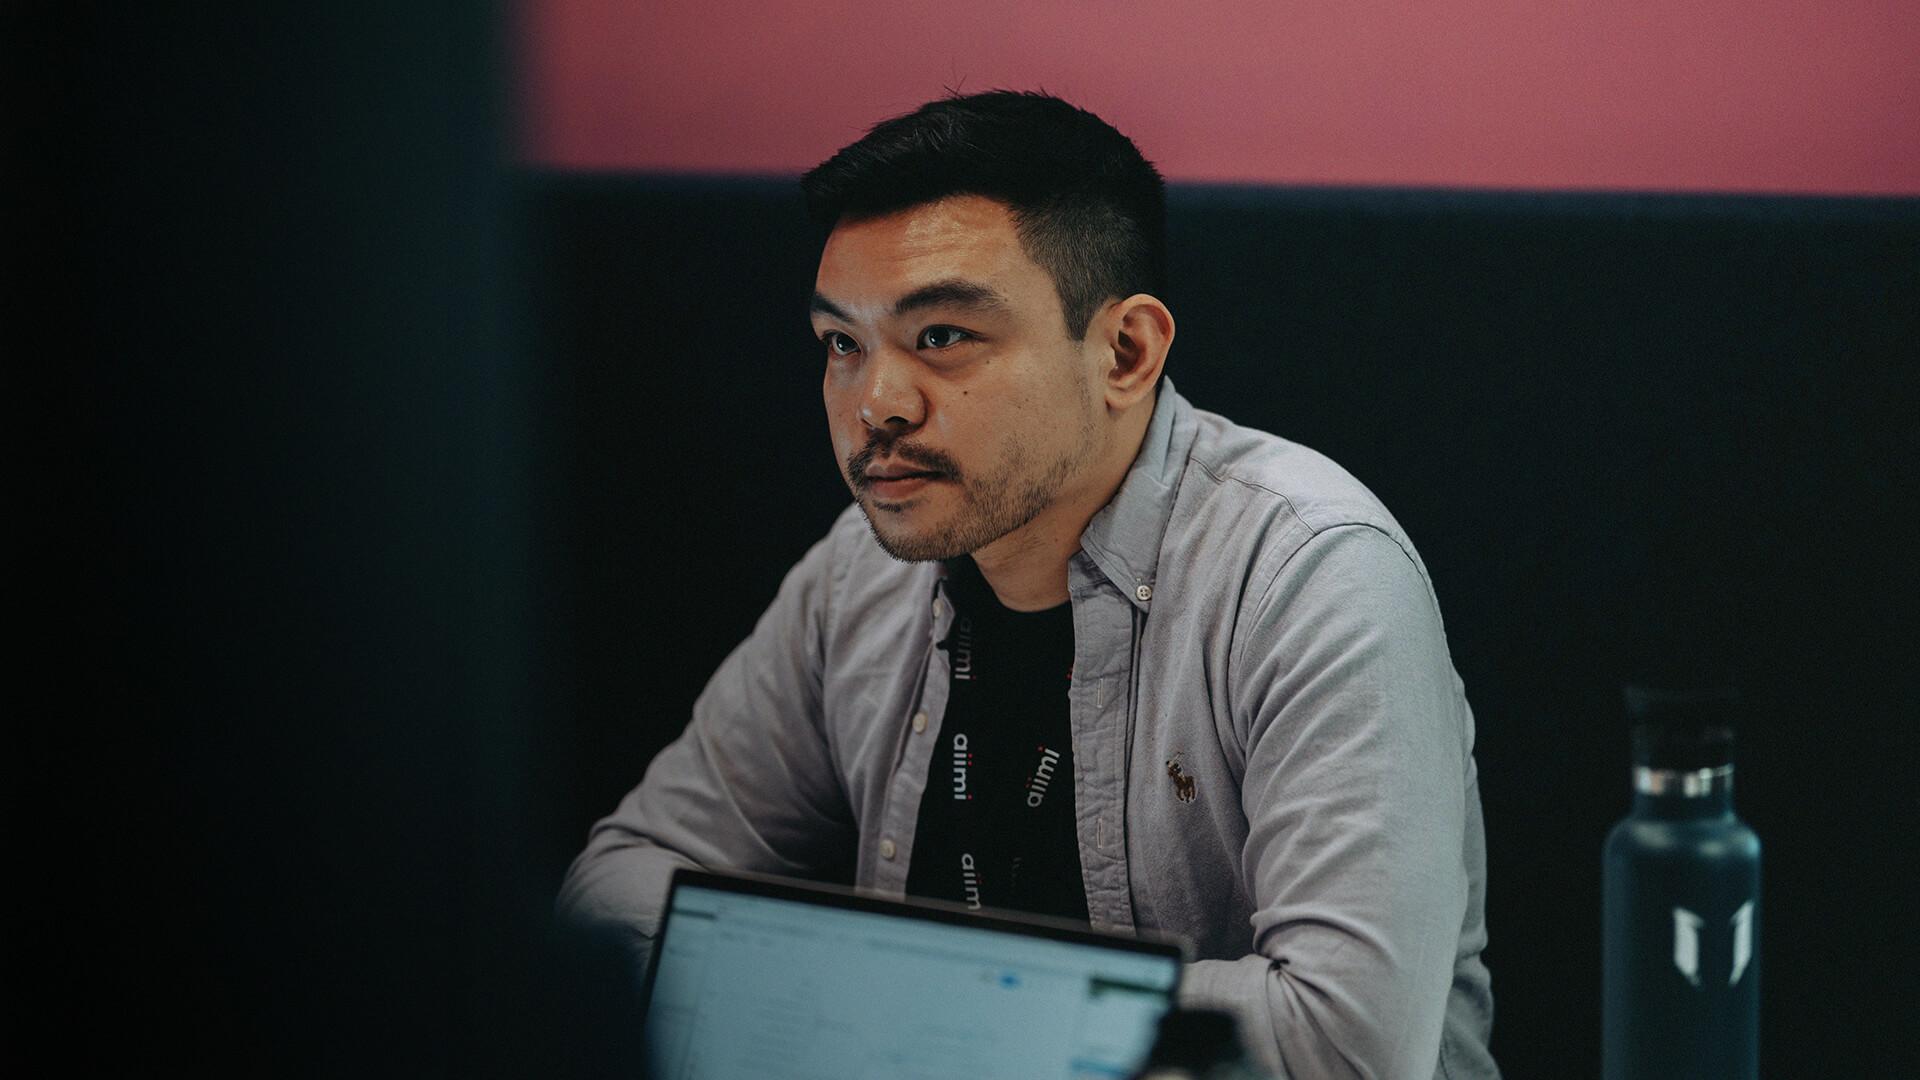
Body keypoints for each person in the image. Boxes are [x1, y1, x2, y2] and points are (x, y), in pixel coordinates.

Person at [558, 90, 1497, 1078]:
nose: (874, 402)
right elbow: (614, 893)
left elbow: (1343, 1046)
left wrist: (886, 999)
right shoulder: (863, 570)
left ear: (1124, 352)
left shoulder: (1309, 571)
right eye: (842, 343)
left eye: (943, 337)